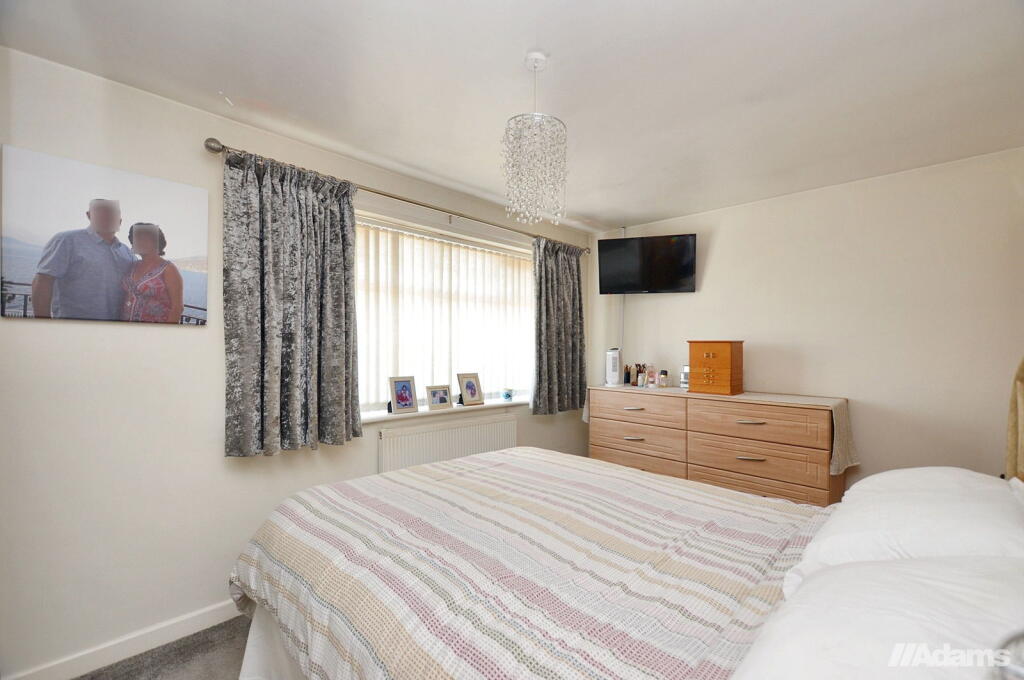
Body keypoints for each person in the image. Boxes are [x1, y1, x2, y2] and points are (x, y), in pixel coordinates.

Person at [32, 199, 135, 320]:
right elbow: (43, 280)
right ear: (89, 215)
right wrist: (43, 323)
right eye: (100, 210)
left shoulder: (126, 252)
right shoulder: (67, 240)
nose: (106, 215)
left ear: (120, 220)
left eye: (112, 211)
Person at [120, 223, 184, 324]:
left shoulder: (168, 269)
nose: (140, 242)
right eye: (137, 239)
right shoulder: (133, 265)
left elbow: (177, 308)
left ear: (156, 242)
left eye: (145, 239)